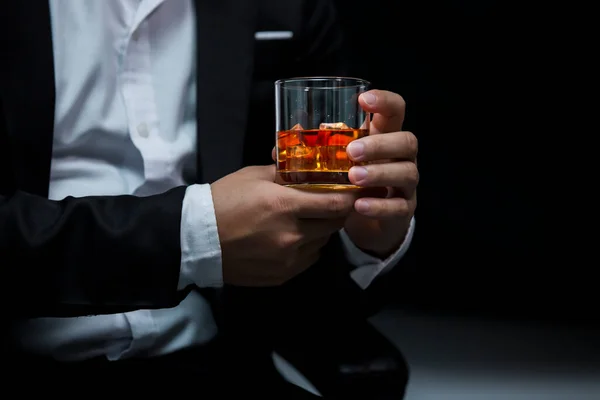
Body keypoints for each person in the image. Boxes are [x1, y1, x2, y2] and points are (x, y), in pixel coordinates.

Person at [0, 0, 417, 397]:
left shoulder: (289, 7)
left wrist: (360, 237)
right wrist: (192, 235)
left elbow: (291, 275)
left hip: (211, 360)